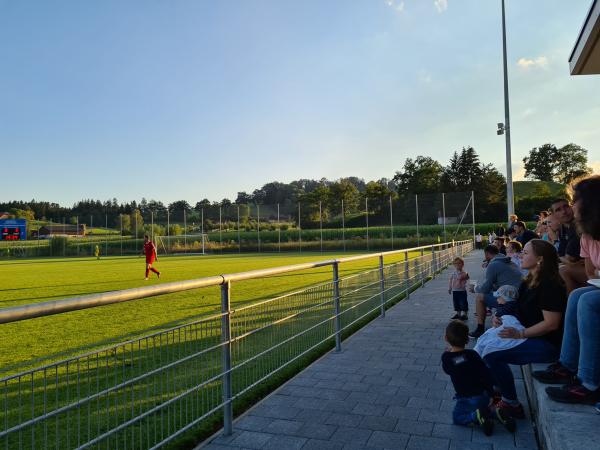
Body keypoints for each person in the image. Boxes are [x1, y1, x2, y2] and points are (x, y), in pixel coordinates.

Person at [532, 175, 600, 404]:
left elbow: (579, 266)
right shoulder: (587, 235)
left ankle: (589, 383)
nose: (572, 206)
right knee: (579, 296)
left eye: (575, 200)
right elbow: (591, 273)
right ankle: (568, 365)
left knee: (587, 301)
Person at [482, 239, 567, 418]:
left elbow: (551, 324)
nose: (521, 255)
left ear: (540, 260)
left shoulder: (550, 284)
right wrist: (500, 316)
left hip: (546, 344)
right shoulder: (528, 280)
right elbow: (516, 306)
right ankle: (498, 389)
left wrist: (520, 334)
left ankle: (511, 404)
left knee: (492, 354)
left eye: (526, 253)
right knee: (485, 345)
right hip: (530, 335)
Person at [442, 321, 516, 435]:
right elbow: (486, 374)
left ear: (446, 338)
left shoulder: (447, 358)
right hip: (483, 396)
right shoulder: (473, 354)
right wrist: (491, 393)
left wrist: (447, 354)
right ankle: (495, 413)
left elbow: (447, 370)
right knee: (481, 407)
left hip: (465, 397)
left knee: (457, 417)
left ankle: (476, 416)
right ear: (467, 339)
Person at [469, 245, 523, 338]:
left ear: (486, 254)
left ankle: (480, 329)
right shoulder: (507, 260)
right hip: (519, 295)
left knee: (480, 297)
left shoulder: (493, 264)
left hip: (511, 300)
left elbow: (485, 288)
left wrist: (474, 288)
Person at [474, 285, 526, 358]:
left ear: (505, 298)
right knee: (485, 338)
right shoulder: (509, 305)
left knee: (488, 338)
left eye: (498, 297)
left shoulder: (510, 306)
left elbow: (502, 315)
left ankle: (478, 353)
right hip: (506, 325)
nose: (497, 300)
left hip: (511, 326)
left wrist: (496, 315)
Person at [552, 198, 587, 294]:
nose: (564, 211)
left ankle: (569, 304)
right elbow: (561, 255)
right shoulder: (563, 229)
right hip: (582, 267)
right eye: (558, 210)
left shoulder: (579, 225)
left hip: (593, 270)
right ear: (554, 215)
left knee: (563, 270)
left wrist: (568, 261)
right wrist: (569, 261)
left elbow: (570, 258)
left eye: (566, 206)